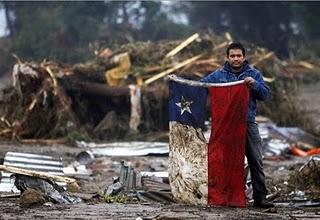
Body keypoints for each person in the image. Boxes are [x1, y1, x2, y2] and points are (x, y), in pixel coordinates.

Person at [201, 42, 274, 208]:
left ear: (244, 57)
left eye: (238, 56)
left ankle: (260, 197)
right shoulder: (218, 75)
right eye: (232, 56)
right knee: (224, 161)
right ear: (227, 57)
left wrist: (253, 84)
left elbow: (265, 94)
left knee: (256, 160)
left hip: (247, 122)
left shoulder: (253, 74)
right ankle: (226, 197)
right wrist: (180, 85)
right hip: (225, 126)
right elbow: (200, 87)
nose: (236, 59)